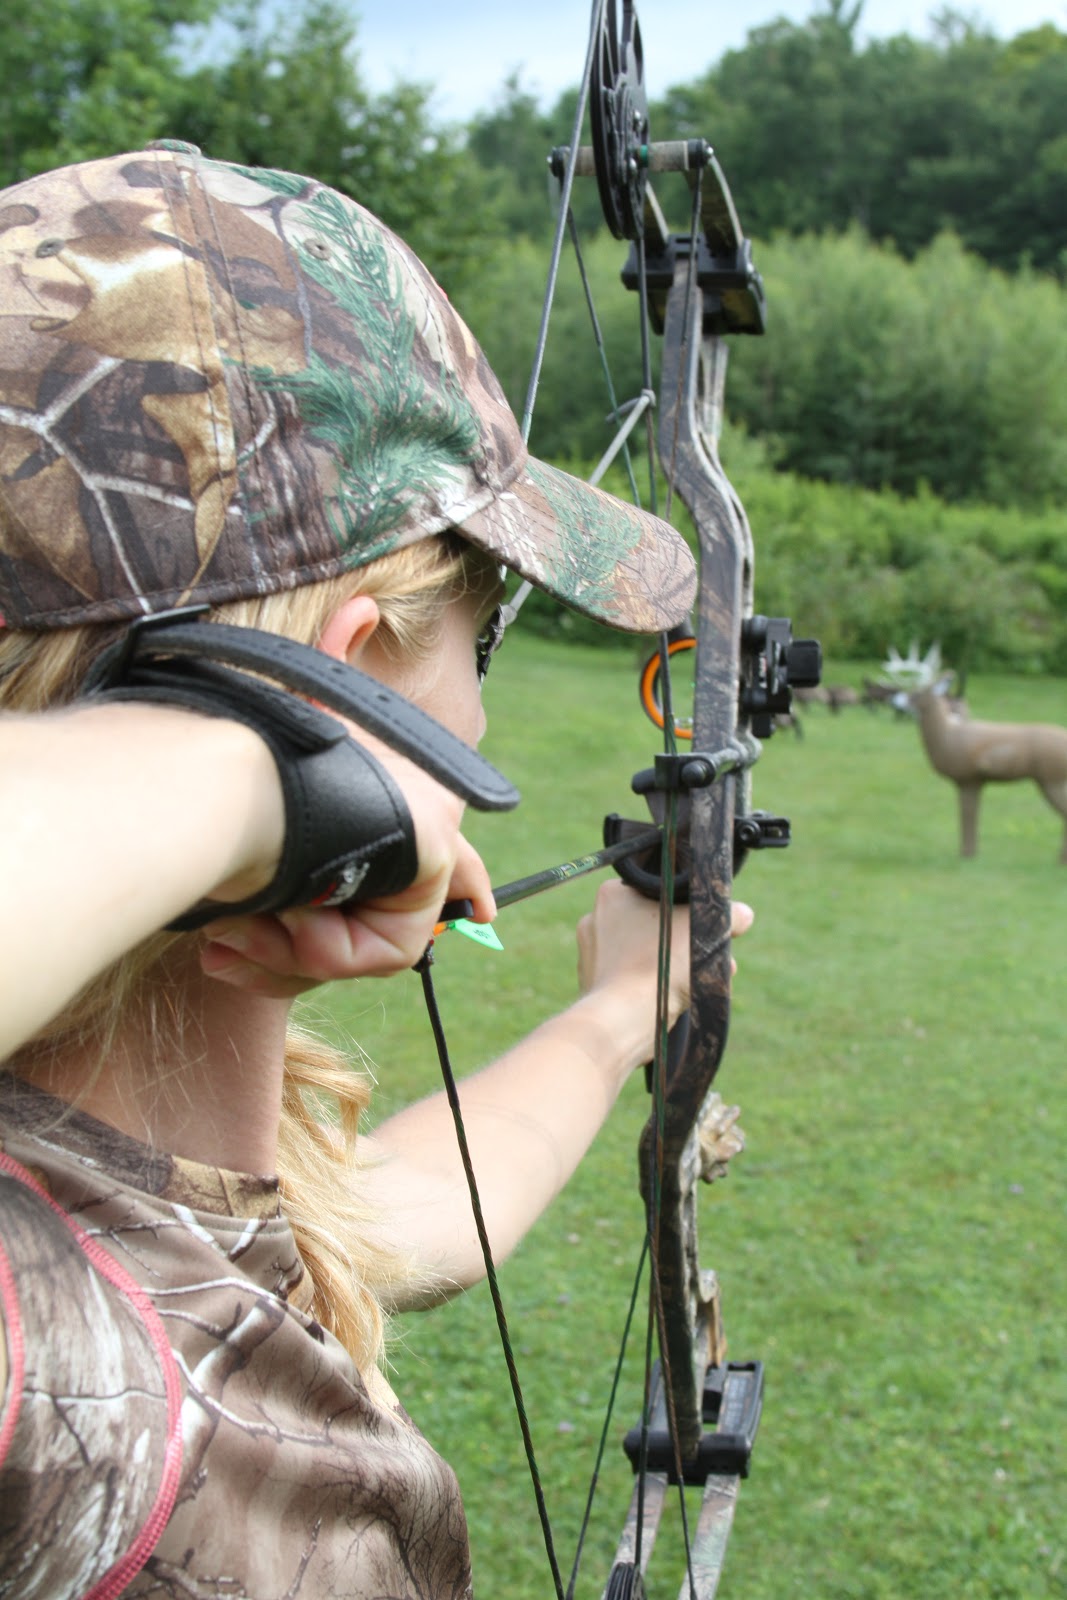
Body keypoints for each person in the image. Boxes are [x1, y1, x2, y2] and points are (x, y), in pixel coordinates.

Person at [0, 142, 752, 1597]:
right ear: (350, 678)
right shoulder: (80, 1387)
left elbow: (365, 1220)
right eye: (484, 635)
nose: (477, 709)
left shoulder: (102, 1161)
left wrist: (616, 1012)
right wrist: (262, 765)